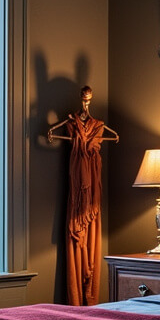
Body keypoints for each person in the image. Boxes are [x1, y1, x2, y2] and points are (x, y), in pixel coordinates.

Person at [48, 87, 118, 304]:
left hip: (91, 191)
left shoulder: (98, 127)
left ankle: (89, 297)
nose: (86, 103)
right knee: (77, 236)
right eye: (85, 100)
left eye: (88, 100)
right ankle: (77, 301)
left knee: (92, 234)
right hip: (78, 190)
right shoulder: (70, 126)